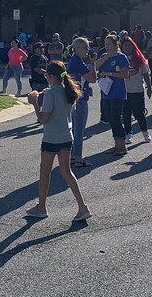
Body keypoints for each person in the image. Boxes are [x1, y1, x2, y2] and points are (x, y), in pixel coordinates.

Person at [23, 61, 92, 222]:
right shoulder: (68, 91)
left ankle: (41, 207)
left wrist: (34, 103)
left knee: (45, 172)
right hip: (66, 137)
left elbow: (43, 119)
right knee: (66, 171)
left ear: (52, 77)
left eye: (47, 75)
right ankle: (82, 207)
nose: (46, 77)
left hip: (51, 138)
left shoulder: (50, 94)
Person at [95, 34, 132, 155]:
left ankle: (123, 146)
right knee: (110, 119)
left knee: (116, 119)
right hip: (106, 93)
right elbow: (96, 66)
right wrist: (106, 58)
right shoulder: (104, 56)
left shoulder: (121, 57)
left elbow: (125, 74)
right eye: (105, 44)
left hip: (118, 93)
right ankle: (117, 144)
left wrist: (110, 74)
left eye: (109, 44)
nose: (107, 47)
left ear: (116, 45)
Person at [66, 37, 96, 168]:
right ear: (77, 48)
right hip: (80, 100)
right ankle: (77, 157)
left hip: (74, 98)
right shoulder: (78, 62)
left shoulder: (74, 60)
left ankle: (73, 156)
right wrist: (93, 64)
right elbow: (92, 79)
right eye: (85, 47)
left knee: (74, 129)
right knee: (79, 130)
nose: (87, 50)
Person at [120, 37, 152, 145]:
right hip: (124, 91)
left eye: (129, 45)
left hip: (137, 90)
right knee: (126, 113)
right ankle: (128, 134)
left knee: (139, 113)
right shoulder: (120, 59)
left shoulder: (139, 58)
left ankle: (145, 132)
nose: (127, 48)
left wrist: (149, 87)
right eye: (125, 46)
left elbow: (146, 74)